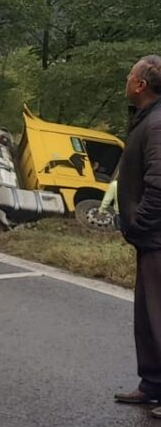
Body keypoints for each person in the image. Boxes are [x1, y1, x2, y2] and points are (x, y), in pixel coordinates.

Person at [113, 55, 161, 415]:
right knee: (147, 317)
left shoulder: (157, 124)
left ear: (141, 85)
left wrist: (139, 223)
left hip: (156, 236)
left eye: (130, 76)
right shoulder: (147, 119)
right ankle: (153, 384)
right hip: (149, 238)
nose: (127, 81)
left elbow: (159, 185)